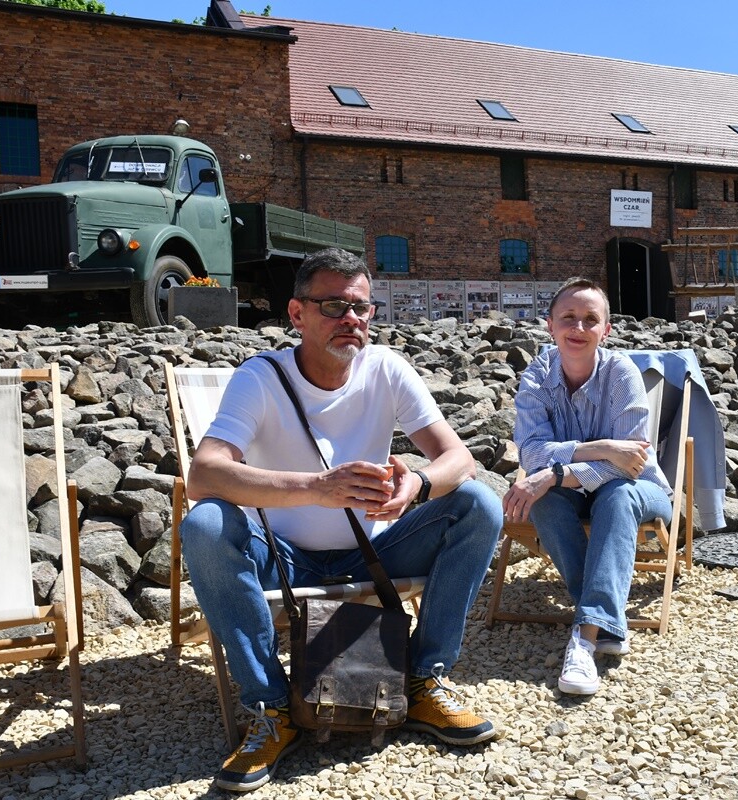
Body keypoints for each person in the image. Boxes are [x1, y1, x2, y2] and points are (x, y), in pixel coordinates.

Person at [181, 248, 503, 793]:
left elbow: (458, 458)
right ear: (296, 314)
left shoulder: (386, 368)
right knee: (206, 524)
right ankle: (269, 708)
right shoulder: (260, 378)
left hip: (370, 551)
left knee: (479, 504)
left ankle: (424, 680)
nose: (351, 318)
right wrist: (315, 489)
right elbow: (203, 475)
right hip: (281, 558)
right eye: (333, 305)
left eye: (362, 307)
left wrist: (418, 485)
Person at [501, 277, 672, 696]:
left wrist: (557, 473)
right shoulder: (539, 374)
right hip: (581, 494)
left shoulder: (621, 373)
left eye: (590, 320)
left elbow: (631, 465)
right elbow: (531, 454)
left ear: (606, 329)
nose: (578, 328)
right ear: (550, 325)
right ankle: (604, 619)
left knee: (615, 496)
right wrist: (601, 447)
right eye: (568, 318)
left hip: (640, 492)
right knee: (543, 502)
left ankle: (584, 638)